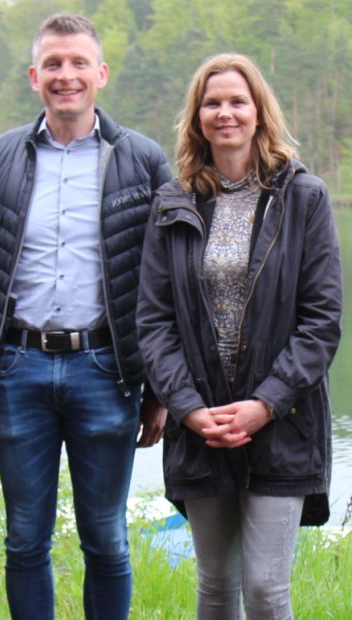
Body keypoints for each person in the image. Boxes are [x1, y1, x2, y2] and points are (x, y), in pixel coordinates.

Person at [0, 13, 171, 619]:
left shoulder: (142, 161)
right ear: (33, 76)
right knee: (24, 539)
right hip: (17, 370)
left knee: (106, 538)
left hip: (107, 369)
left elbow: (167, 285)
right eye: (52, 64)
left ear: (99, 73)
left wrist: (164, 388)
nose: (65, 75)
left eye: (77, 64)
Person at [137, 53, 342, 619]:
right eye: (212, 102)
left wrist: (265, 404)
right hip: (199, 425)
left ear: (259, 113)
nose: (224, 113)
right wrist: (187, 408)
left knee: (266, 589)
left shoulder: (304, 198)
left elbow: (322, 320)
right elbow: (153, 323)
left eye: (236, 101)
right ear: (197, 117)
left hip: (282, 425)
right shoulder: (172, 203)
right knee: (215, 586)